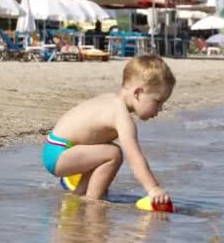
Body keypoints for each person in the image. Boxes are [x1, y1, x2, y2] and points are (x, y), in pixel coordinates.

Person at [41, 54, 176, 205]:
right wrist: (153, 188)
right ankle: (92, 202)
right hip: (60, 153)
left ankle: (78, 195)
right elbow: (135, 158)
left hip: (59, 148)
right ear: (138, 93)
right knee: (113, 154)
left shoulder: (111, 100)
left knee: (108, 150)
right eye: (157, 101)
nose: (160, 109)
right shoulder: (120, 115)